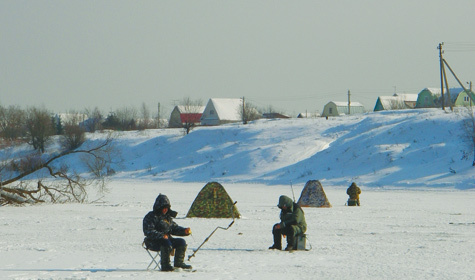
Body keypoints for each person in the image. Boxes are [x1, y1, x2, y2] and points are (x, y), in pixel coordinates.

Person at [143, 194, 192, 271]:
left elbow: (173, 228)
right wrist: (161, 235)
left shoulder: (167, 217)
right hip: (153, 242)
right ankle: (165, 265)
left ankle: (179, 263)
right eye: (163, 208)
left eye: (167, 208)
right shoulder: (151, 217)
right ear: (159, 207)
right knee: (166, 242)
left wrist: (184, 231)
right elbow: (148, 231)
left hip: (167, 240)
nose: (165, 210)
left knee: (181, 242)